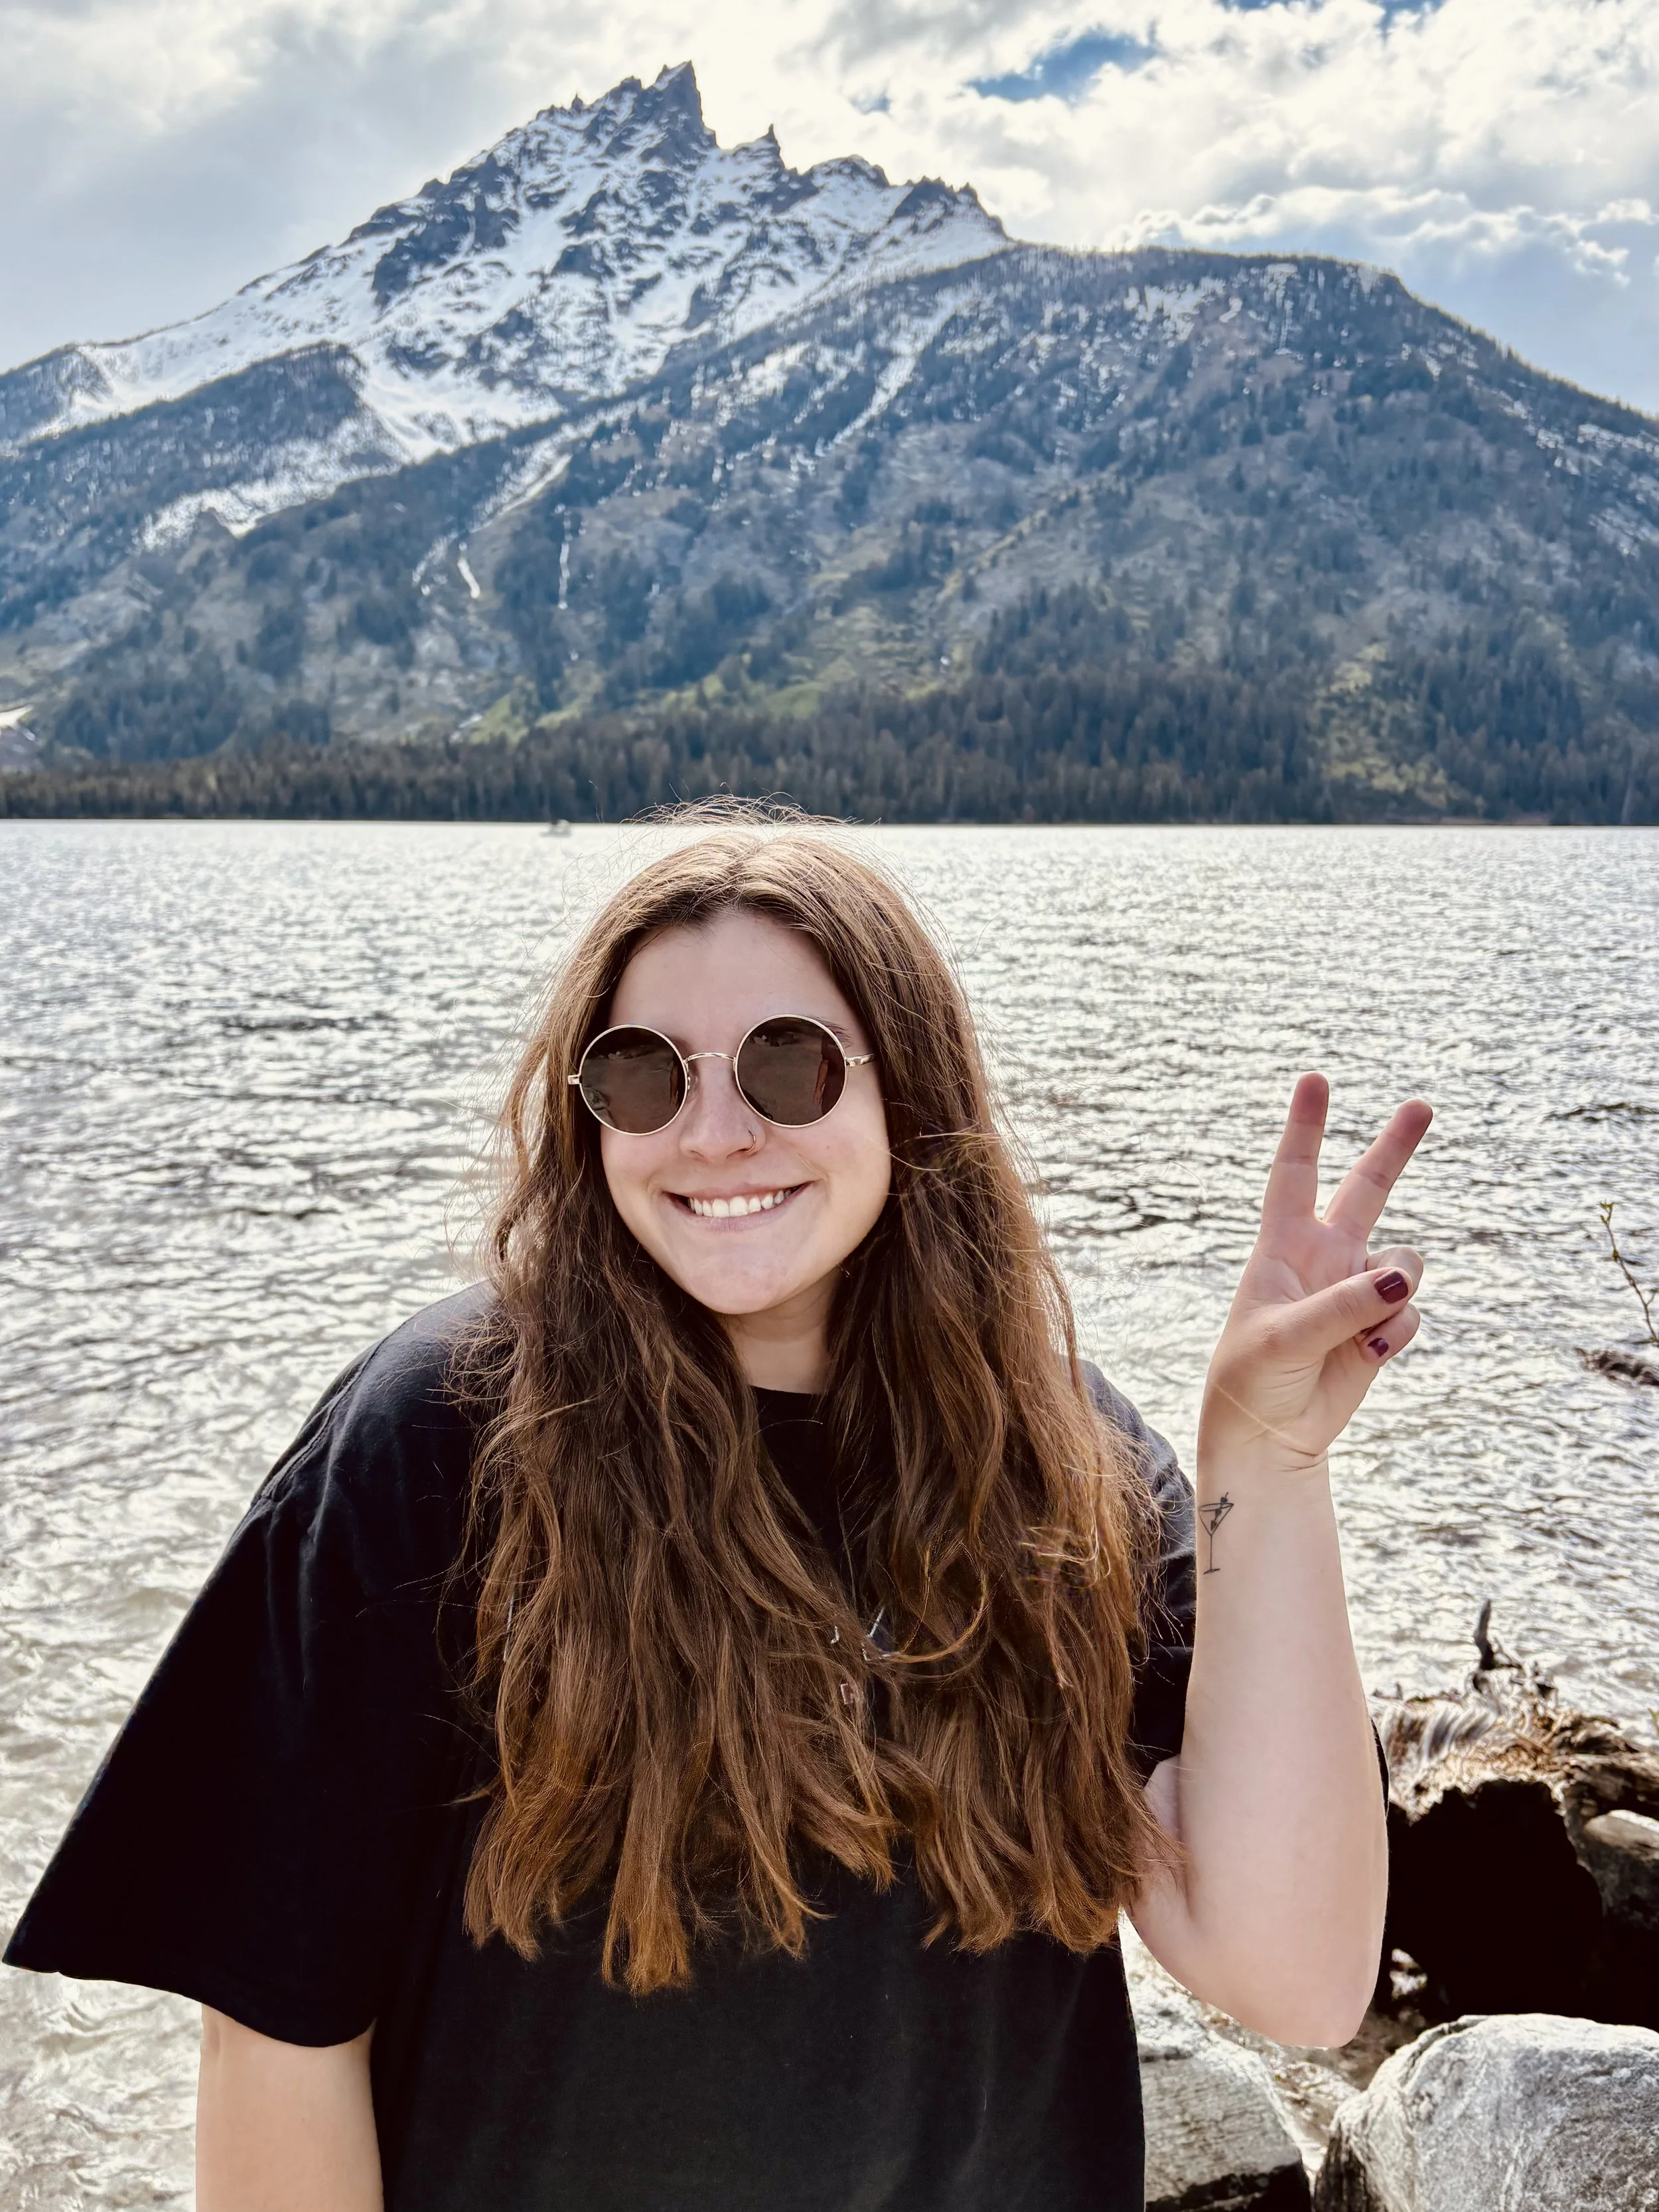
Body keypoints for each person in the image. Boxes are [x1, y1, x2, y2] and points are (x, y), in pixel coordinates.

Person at [5, 816, 1430, 2211]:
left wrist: (1269, 1467)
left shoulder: (1058, 1464)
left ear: (909, 1091)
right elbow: (279, 2023)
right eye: (638, 1076)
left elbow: (1295, 1976)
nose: (713, 1131)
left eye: (786, 1064)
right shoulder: (438, 1441)